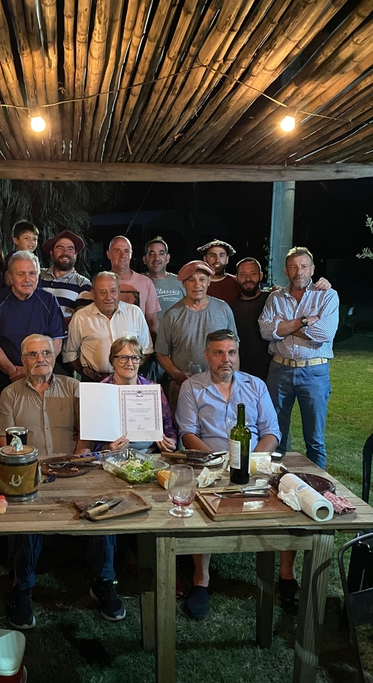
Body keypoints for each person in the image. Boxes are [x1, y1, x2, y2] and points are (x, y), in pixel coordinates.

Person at [0, 334, 125, 628]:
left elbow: (87, 430)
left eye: (45, 353)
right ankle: (23, 589)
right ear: (23, 360)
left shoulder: (75, 388)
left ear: (54, 356)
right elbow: (4, 443)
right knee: (26, 518)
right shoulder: (10, 394)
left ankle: (103, 582)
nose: (41, 358)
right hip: (31, 474)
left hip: (76, 471)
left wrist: (78, 457)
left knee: (104, 511)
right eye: (32, 354)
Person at [176, 330, 281, 619]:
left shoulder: (255, 385)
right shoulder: (192, 388)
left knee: (291, 497)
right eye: (219, 353)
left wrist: (251, 460)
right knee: (199, 506)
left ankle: (286, 576)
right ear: (207, 356)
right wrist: (217, 462)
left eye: (231, 352)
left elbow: (272, 431)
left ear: (238, 355)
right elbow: (187, 433)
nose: (226, 359)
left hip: (253, 463)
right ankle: (201, 580)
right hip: (210, 464)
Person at [259, 246, 339, 469]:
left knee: (314, 439)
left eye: (304, 266)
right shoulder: (275, 297)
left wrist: (282, 327)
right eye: (294, 267)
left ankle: (319, 489)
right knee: (275, 433)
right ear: (286, 271)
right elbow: (265, 331)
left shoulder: (327, 296)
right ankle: (275, 482)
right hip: (279, 371)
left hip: (314, 372)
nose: (299, 271)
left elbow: (324, 333)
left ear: (312, 269)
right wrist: (303, 322)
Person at [155, 260, 237, 411]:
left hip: (218, 386)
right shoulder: (171, 315)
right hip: (183, 387)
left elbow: (235, 349)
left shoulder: (223, 309)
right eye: (191, 280)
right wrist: (176, 374)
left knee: (218, 430)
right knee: (183, 431)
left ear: (208, 282)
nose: (197, 285)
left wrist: (233, 381)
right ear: (183, 284)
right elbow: (161, 353)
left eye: (202, 279)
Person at [0, 251, 65, 395]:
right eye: (21, 274)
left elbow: (56, 342)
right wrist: (12, 371)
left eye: (32, 273)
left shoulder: (49, 300)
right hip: (6, 378)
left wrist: (33, 369)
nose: (27, 279)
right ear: (10, 277)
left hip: (42, 378)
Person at [76, 336, 177, 454]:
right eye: (123, 357)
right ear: (112, 360)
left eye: (135, 358)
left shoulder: (153, 389)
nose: (129, 363)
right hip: (111, 457)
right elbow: (90, 441)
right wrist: (106, 449)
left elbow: (169, 429)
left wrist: (171, 442)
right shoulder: (100, 392)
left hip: (150, 455)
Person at [62, 272, 153, 381]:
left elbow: (146, 350)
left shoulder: (135, 313)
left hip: (129, 381)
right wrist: (88, 373)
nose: (108, 297)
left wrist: (129, 371)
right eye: (102, 292)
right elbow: (69, 353)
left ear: (119, 292)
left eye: (113, 291)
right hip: (94, 382)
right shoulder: (80, 317)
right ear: (93, 294)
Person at [106, 235, 160, 336]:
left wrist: (155, 349)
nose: (122, 255)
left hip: (138, 347)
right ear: (108, 254)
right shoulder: (101, 283)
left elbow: (153, 322)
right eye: (117, 251)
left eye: (126, 251)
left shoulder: (145, 283)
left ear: (131, 254)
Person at [230, 257, 272, 380]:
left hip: (272, 372)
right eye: (243, 274)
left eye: (252, 274)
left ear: (260, 275)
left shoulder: (272, 300)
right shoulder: (230, 308)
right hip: (242, 373)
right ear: (236, 277)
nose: (248, 279)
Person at [39, 230, 92, 323]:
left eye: (70, 249)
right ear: (51, 252)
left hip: (65, 336)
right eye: (60, 248)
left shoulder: (83, 284)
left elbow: (83, 319)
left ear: (76, 254)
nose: (65, 252)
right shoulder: (37, 276)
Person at [142, 236, 184, 313]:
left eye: (161, 253)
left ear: (167, 258)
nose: (156, 258)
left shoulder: (181, 282)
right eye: (152, 254)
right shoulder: (138, 282)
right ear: (145, 260)